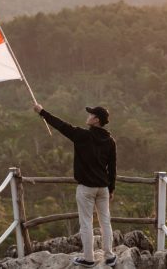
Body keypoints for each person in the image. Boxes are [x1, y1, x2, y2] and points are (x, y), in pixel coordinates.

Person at [33, 104, 117, 267]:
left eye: (91, 114)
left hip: (86, 188)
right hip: (103, 188)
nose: (88, 116)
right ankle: (110, 255)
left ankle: (89, 258)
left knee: (86, 223)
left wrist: (42, 112)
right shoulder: (110, 141)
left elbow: (61, 125)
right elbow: (112, 168)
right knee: (105, 222)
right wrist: (111, 188)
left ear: (96, 120)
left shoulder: (82, 135)